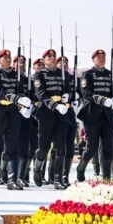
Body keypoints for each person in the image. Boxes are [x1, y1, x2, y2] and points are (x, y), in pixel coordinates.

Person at [0, 48, 29, 190]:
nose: (8, 60)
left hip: (13, 111)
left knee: (12, 146)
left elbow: (20, 92)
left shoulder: (17, 75)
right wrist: (17, 99)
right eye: (4, 58)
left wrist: (23, 105)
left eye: (9, 57)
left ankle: (12, 180)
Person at [32, 49, 73, 190]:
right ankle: (37, 168)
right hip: (46, 113)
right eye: (49, 56)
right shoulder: (39, 74)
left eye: (53, 56)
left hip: (62, 114)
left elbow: (69, 90)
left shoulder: (63, 74)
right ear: (44, 59)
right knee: (44, 147)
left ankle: (57, 179)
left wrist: (68, 96)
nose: (52, 58)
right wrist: (55, 106)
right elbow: (41, 94)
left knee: (61, 147)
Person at [77, 49, 113, 181]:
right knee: (91, 148)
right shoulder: (88, 74)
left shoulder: (111, 74)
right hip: (92, 114)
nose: (101, 59)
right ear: (93, 59)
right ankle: (81, 168)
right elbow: (86, 93)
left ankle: (107, 178)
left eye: (103, 57)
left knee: (109, 148)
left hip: (107, 115)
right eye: (98, 57)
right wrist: (102, 100)